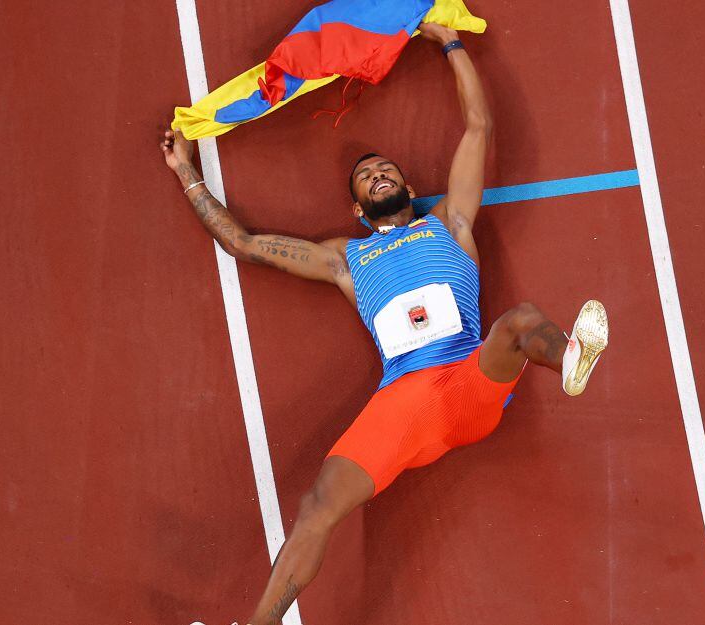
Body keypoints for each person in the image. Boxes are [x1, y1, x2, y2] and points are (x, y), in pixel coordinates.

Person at [161, 22, 608, 625]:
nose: (378, 174)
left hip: (470, 379)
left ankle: (571, 355)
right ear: (356, 208)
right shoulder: (345, 259)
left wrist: (449, 43)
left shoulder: (450, 223)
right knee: (318, 505)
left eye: (387, 169)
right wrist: (187, 173)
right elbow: (243, 242)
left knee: (522, 320)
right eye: (366, 175)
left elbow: (479, 126)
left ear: (409, 187)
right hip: (404, 401)